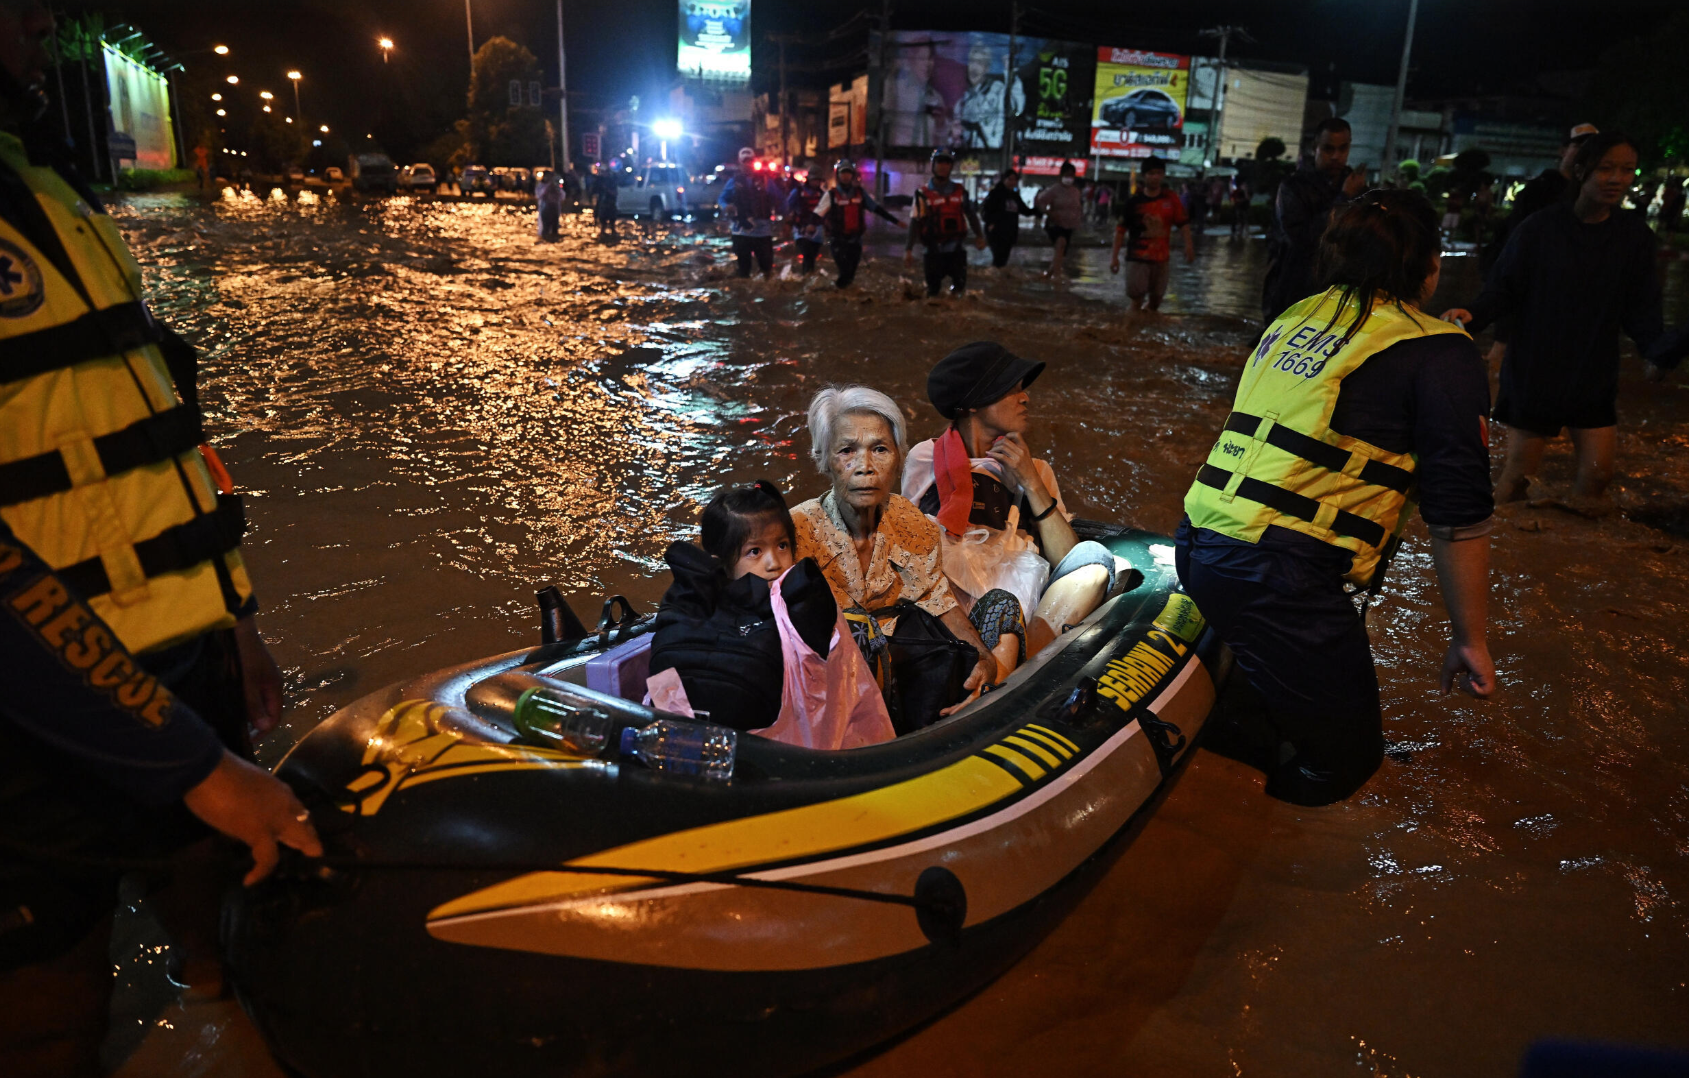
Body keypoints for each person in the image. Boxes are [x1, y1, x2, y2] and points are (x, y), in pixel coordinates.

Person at [0, 5, 322, 1073]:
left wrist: (233, 621)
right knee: (50, 1010)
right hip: (40, 725)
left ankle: (207, 1009)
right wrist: (188, 760)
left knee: (216, 934)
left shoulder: (45, 187)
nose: (40, 23)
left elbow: (147, 438)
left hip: (181, 671)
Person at [1179, 189, 1496, 807]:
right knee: (1347, 763)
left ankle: (1223, 769)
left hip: (1202, 541)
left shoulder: (1297, 316)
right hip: (1280, 575)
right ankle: (1239, 830)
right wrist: (1470, 637)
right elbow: (1459, 517)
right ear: (1430, 269)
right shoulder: (1441, 352)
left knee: (1271, 704)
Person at [1442, 131, 1663, 505]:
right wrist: (1473, 314)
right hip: (1536, 367)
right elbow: (1504, 288)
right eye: (1606, 168)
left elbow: (1642, 306)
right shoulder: (1541, 228)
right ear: (1581, 170)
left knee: (1597, 478)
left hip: (1594, 370)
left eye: (1627, 170)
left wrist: (1655, 350)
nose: (1616, 179)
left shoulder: (1634, 237)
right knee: (1516, 480)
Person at [902, 342, 1118, 678]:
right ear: (973, 403)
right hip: (954, 611)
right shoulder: (924, 458)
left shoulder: (1038, 470)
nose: (1025, 398)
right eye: (1010, 389)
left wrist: (1030, 482)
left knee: (1094, 560)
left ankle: (1017, 667)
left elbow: (1066, 558)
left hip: (1024, 607)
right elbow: (907, 544)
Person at [791, 386, 998, 728]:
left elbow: (936, 597)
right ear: (823, 459)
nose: (865, 467)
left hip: (899, 679)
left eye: (880, 450)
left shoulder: (910, 522)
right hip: (826, 692)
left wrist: (983, 657)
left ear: (899, 459)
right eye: (847, 451)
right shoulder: (795, 533)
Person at [648, 482, 893, 748]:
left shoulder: (804, 601)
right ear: (721, 561)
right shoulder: (695, 603)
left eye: (782, 546)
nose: (773, 563)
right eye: (755, 551)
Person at [1263, 117, 1368, 321]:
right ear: (1315, 147)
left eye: (1343, 148)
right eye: (1328, 149)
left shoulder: (1357, 187)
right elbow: (1301, 238)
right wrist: (1344, 199)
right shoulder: (1293, 187)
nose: (1336, 156)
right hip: (1293, 290)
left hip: (1339, 293)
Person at [1479, 123, 1597, 276]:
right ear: (1562, 151)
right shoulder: (1540, 189)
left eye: (1591, 150)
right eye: (1578, 146)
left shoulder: (1592, 193)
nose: (1584, 153)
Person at [1110, 155, 1195, 311]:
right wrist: (1114, 257)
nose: (1154, 177)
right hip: (1137, 258)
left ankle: (1147, 330)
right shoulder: (1134, 203)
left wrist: (1189, 246)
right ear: (1144, 176)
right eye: (1150, 173)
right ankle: (1129, 331)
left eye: (1158, 173)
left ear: (1163, 175)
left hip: (1161, 259)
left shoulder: (1171, 199)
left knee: (1156, 301)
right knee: (1137, 299)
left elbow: (1183, 224)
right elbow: (1120, 231)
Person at [905, 148, 986, 297]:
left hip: (956, 251)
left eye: (947, 163)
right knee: (933, 295)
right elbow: (915, 222)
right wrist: (908, 250)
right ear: (933, 165)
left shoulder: (961, 192)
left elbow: (971, 215)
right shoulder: (922, 194)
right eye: (940, 162)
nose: (943, 166)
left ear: (951, 166)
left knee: (959, 292)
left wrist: (980, 236)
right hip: (932, 252)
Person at [815, 159, 901, 289]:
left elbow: (876, 209)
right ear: (838, 175)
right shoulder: (831, 195)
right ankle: (832, 294)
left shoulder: (860, 193)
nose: (845, 176)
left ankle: (839, 295)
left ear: (852, 175)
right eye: (843, 173)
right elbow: (817, 214)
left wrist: (896, 221)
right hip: (837, 241)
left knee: (850, 275)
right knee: (845, 273)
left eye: (848, 173)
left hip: (855, 241)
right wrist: (809, 226)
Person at [720, 147, 778, 280]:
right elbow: (722, 198)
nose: (747, 164)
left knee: (767, 268)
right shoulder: (734, 181)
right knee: (743, 270)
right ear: (740, 162)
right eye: (744, 161)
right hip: (741, 231)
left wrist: (787, 220)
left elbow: (779, 199)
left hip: (762, 231)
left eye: (750, 161)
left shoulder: (765, 180)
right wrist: (726, 206)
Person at [1033, 161, 1084, 280]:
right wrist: (1049, 213)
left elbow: (1077, 208)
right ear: (1061, 175)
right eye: (1067, 174)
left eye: (1072, 175)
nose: (1069, 178)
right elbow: (1040, 202)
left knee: (1061, 252)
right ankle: (1057, 276)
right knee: (1061, 244)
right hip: (1055, 224)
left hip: (1069, 226)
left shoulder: (1075, 192)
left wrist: (1078, 221)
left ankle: (1049, 273)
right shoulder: (1054, 190)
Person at [980, 167, 1034, 269]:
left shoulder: (1015, 196)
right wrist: (991, 223)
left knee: (1004, 259)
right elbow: (987, 210)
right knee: (998, 258)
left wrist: (1038, 210)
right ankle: (995, 279)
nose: (1012, 182)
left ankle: (998, 278)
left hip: (1009, 232)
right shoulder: (996, 193)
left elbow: (1025, 210)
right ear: (1004, 179)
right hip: (996, 232)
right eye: (1010, 179)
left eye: (1014, 179)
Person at [785, 168, 826, 275]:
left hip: (817, 230)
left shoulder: (822, 195)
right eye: (814, 180)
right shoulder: (798, 192)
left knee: (812, 255)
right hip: (801, 228)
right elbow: (788, 206)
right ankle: (806, 275)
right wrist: (789, 222)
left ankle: (808, 275)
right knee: (807, 253)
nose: (816, 182)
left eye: (818, 180)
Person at [591, 162, 618, 240]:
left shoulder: (612, 181)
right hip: (602, 204)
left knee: (612, 223)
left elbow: (615, 193)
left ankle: (612, 234)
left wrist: (607, 190)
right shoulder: (599, 181)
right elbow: (594, 192)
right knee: (603, 223)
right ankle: (603, 234)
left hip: (610, 203)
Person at [535, 169, 563, 243]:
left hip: (555, 208)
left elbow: (562, 196)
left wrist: (556, 189)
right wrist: (548, 187)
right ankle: (545, 238)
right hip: (545, 208)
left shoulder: (556, 185)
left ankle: (554, 239)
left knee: (555, 226)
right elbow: (539, 195)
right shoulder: (540, 186)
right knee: (546, 227)